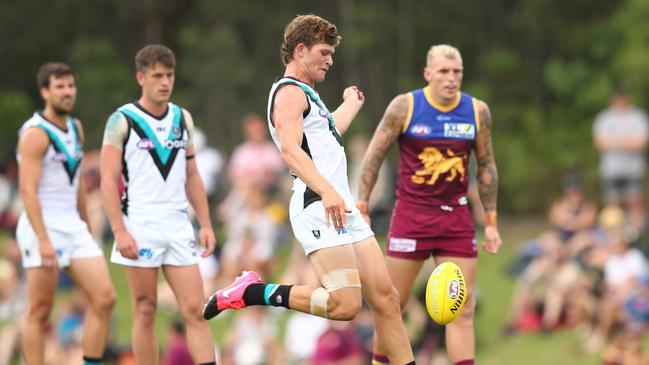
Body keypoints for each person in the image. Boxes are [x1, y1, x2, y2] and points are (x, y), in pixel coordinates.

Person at [203, 14, 417, 365]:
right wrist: (328, 190)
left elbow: (327, 135)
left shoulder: (309, 96)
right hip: (318, 205)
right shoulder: (288, 94)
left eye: (332, 54)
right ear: (300, 51)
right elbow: (290, 150)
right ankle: (253, 291)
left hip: (340, 206)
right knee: (346, 305)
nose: (330, 61)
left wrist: (351, 104)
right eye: (324, 52)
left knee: (386, 298)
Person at [356, 44, 502, 365]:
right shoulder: (405, 107)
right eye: (444, 72)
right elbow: (374, 156)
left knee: (462, 309)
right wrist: (363, 204)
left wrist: (490, 220)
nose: (451, 79)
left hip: (456, 220)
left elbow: (487, 165)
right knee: (391, 305)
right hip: (412, 217)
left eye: (457, 72)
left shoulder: (477, 111)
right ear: (428, 74)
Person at [100, 45, 216, 365]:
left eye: (169, 75)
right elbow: (107, 180)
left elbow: (192, 174)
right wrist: (119, 230)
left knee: (195, 308)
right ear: (141, 77)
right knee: (146, 309)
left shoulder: (183, 118)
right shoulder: (121, 120)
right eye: (157, 76)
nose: (165, 82)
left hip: (178, 223)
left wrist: (205, 223)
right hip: (140, 224)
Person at [16, 62, 116, 365]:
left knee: (105, 299)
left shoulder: (76, 128)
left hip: (72, 226)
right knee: (40, 310)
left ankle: (90, 361)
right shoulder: (35, 133)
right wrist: (44, 239)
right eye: (59, 86)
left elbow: (78, 185)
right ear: (45, 91)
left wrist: (86, 226)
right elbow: (27, 190)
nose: (67, 92)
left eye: (70, 85)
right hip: (42, 226)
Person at [593, 89, 649, 231]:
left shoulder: (638, 117)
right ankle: (614, 233)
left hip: (633, 168)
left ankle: (637, 232)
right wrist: (628, 143)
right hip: (612, 169)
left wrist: (615, 142)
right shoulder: (604, 118)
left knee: (634, 200)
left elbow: (641, 142)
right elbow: (601, 142)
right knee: (613, 202)